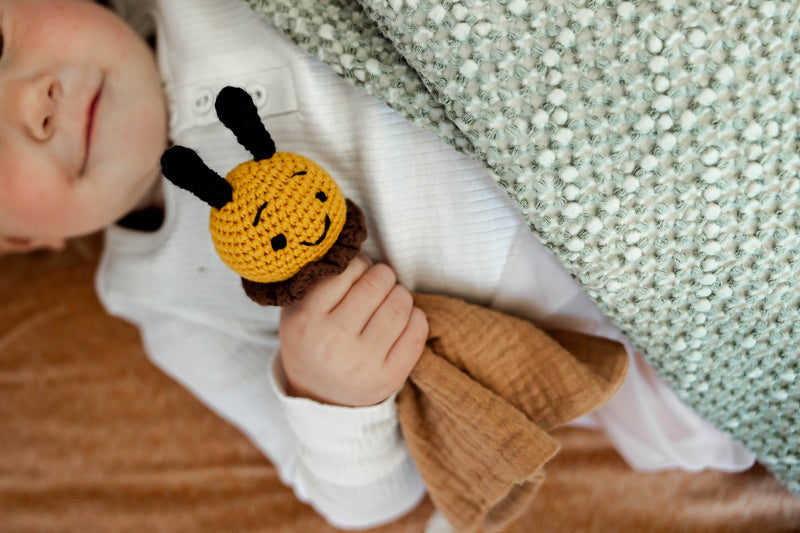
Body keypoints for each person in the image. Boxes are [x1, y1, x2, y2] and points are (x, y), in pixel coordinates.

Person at [0, 0, 757, 528]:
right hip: (596, 325)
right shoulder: (165, 307)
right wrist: (327, 392)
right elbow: (362, 501)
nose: (31, 101)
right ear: (17, 242)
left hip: (611, 116)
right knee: (704, 420)